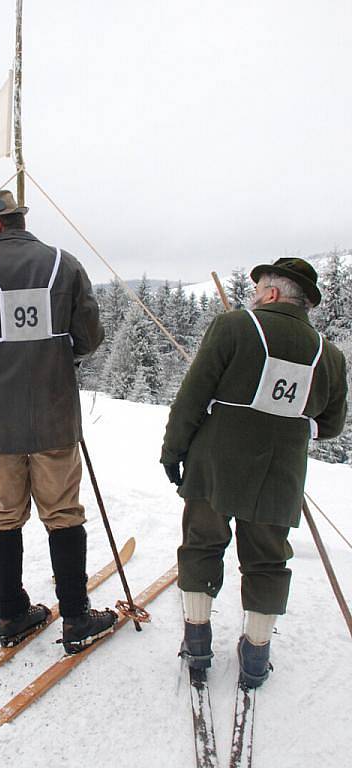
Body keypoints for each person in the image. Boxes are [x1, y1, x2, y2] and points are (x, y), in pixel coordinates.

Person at [0, 189, 117, 653]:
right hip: (55, 413)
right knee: (63, 514)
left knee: (6, 515)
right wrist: (54, 356)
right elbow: (89, 338)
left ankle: (12, 613)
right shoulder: (65, 263)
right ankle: (75, 618)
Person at [161, 257, 347, 688]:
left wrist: (173, 450)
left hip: (214, 466)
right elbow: (331, 425)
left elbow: (192, 398)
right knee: (267, 561)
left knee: (201, 546)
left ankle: (197, 642)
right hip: (279, 473)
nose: (255, 293)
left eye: (259, 287)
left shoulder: (233, 326)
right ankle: (256, 657)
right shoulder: (330, 355)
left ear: (273, 293)